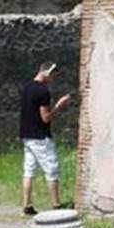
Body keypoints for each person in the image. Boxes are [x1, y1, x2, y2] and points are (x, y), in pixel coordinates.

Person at [19, 62, 72, 215]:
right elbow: (46, 118)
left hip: (27, 136)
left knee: (29, 171)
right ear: (48, 73)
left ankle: (27, 205)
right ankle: (56, 205)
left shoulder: (27, 88)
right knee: (52, 169)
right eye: (53, 76)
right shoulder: (43, 91)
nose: (53, 80)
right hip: (40, 137)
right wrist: (59, 106)